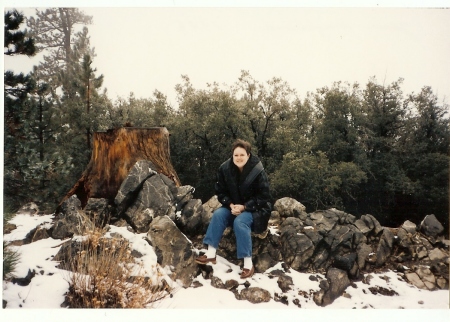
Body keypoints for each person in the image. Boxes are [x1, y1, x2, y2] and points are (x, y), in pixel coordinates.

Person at [195, 139, 272, 279]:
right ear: (232, 155)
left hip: (256, 210)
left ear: (248, 155)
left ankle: (248, 264)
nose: (239, 158)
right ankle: (211, 253)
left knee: (240, 222)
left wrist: (245, 207)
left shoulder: (258, 170)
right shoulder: (225, 168)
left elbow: (264, 197)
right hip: (234, 206)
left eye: (242, 155)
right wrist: (230, 205)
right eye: (236, 155)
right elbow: (220, 192)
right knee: (218, 214)